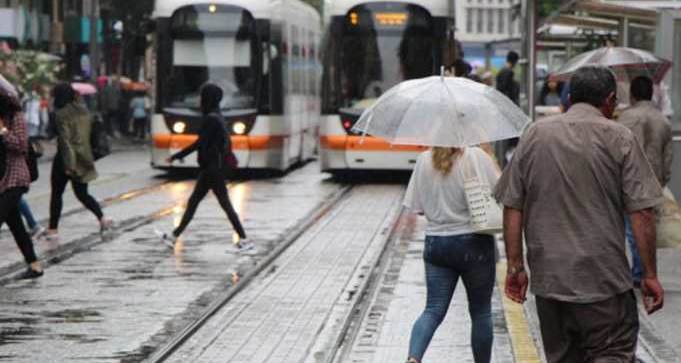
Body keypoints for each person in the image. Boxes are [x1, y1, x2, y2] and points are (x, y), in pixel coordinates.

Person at [494, 66, 665, 362]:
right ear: (610, 100)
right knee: (612, 353)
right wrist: (649, 274)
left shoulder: (535, 134)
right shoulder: (619, 137)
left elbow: (513, 205)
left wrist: (515, 267)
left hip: (551, 283)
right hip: (604, 282)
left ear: (570, 97)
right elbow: (642, 213)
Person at [404, 146, 500, 363]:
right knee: (481, 312)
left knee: (432, 310)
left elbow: (416, 207)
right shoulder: (475, 156)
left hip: (436, 243)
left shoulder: (423, 160)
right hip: (474, 243)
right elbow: (501, 190)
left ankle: (413, 358)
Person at [157, 83, 251, 251]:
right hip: (213, 168)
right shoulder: (218, 116)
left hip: (212, 169)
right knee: (195, 203)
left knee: (223, 204)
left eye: (202, 97)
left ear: (207, 99)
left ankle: (244, 239)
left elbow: (199, 144)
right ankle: (174, 236)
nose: (200, 101)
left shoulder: (210, 119)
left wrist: (177, 156)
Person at [618, 76, 673, 286]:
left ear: (632, 94)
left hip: (630, 181)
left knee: (632, 230)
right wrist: (661, 180)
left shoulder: (626, 118)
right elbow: (668, 159)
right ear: (652, 93)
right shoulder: (663, 121)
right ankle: (646, 272)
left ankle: (640, 273)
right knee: (648, 228)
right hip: (654, 182)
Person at [45, 83, 112, 241]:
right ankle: (102, 218)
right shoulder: (84, 111)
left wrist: (69, 165)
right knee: (82, 194)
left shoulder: (60, 114)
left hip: (65, 160)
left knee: (57, 194)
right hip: (84, 158)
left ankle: (53, 229)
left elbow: (65, 141)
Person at [0, 76, 43, 279]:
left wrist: (2, 131)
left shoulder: (15, 116)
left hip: (16, 178)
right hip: (2, 179)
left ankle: (34, 264)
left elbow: (20, 146)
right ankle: (34, 265)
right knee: (16, 225)